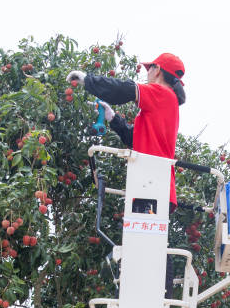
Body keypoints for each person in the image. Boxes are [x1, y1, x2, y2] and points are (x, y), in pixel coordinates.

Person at [66, 52, 185, 212]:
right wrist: (112, 117)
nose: (147, 73)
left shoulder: (162, 93)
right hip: (151, 184)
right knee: (140, 235)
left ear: (157, 70)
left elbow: (124, 89)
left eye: (149, 68)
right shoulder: (165, 101)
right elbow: (133, 139)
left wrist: (88, 80)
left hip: (152, 184)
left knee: (142, 234)